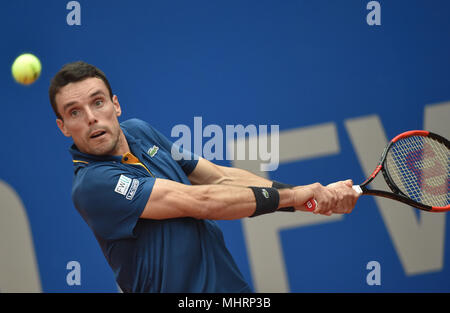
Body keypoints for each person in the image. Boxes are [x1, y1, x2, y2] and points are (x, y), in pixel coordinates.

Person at [49, 61, 359, 293]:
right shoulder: (92, 185)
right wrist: (296, 196)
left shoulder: (141, 132)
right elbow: (202, 200)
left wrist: (305, 198)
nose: (91, 117)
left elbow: (218, 178)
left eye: (98, 102)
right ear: (63, 126)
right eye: (74, 112)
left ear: (115, 105)